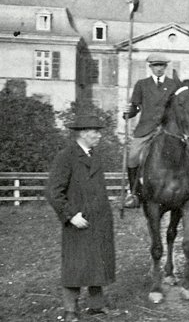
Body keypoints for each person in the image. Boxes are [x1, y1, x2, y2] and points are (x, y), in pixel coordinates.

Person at [47, 115, 117, 321]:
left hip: (99, 219)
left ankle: (96, 305)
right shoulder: (66, 156)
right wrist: (70, 216)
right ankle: (70, 310)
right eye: (96, 132)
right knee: (75, 265)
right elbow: (53, 191)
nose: (99, 135)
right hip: (78, 220)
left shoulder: (94, 155)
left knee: (97, 261)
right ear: (84, 133)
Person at [122, 54, 189, 208]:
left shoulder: (173, 85)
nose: (158, 69)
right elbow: (135, 107)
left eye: (162, 66)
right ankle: (134, 194)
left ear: (165, 67)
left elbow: (181, 104)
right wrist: (128, 112)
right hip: (146, 128)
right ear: (150, 67)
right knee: (133, 156)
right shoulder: (141, 84)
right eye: (155, 65)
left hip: (169, 130)